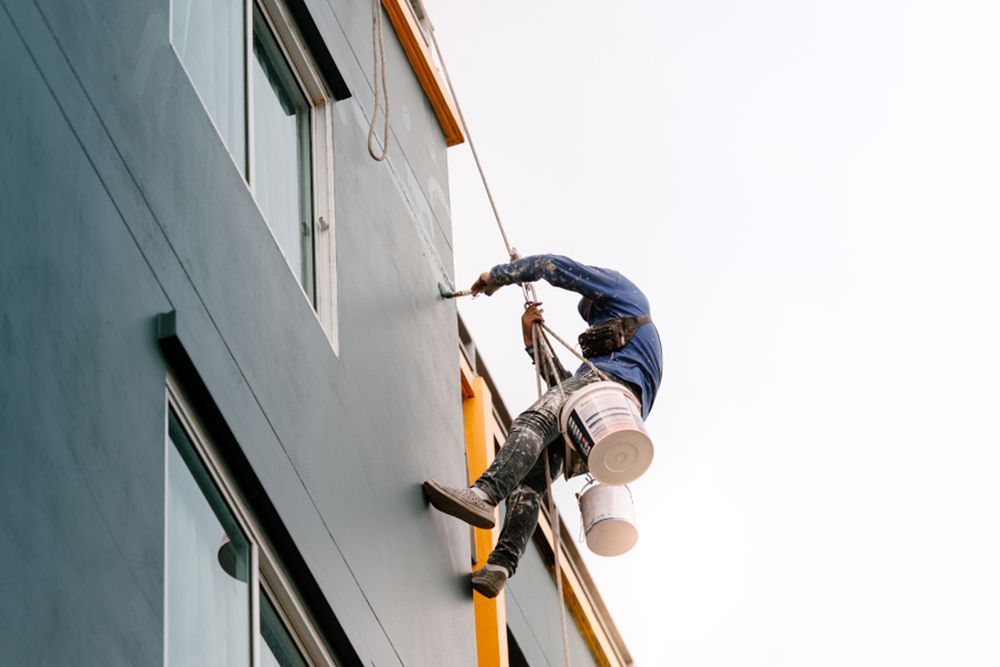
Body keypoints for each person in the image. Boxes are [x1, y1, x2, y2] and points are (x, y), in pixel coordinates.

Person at [424, 254, 663, 597]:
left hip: (606, 399)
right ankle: (500, 567)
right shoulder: (626, 360)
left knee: (532, 421)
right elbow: (563, 390)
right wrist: (529, 341)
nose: (593, 326)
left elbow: (554, 266)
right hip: (604, 424)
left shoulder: (624, 295)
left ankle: (483, 495)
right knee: (531, 480)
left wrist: (498, 276)